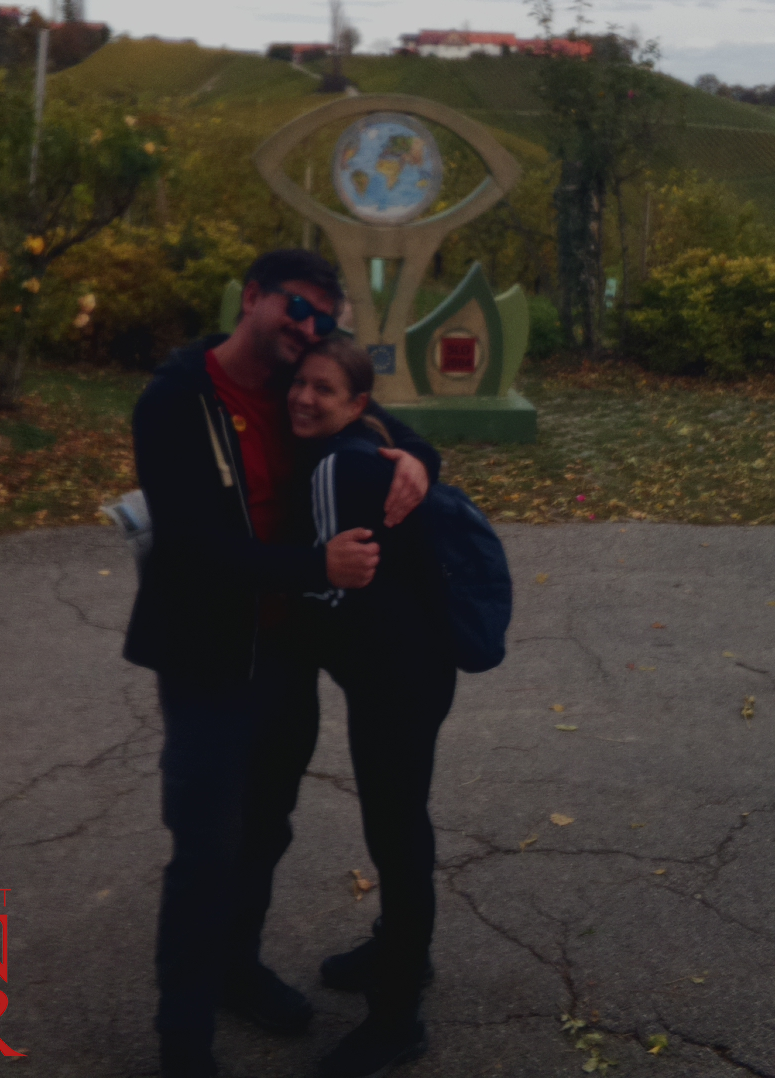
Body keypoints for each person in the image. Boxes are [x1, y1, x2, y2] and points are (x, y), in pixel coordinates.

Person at [124, 250, 439, 1078]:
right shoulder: (175, 401)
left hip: (285, 656)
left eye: (323, 319)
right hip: (206, 657)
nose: (308, 329)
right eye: (296, 308)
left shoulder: (293, 385)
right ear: (253, 296)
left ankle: (237, 969)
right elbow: (190, 548)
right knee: (206, 850)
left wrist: (417, 462)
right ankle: (183, 1044)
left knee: (264, 830)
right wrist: (314, 568)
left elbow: (389, 428)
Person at [283, 336, 459, 1078]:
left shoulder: (335, 465)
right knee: (399, 825)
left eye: (324, 389)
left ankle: (396, 1019)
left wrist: (261, 586)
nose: (304, 397)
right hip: (414, 666)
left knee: (397, 833)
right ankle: (400, 952)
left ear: (357, 403)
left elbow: (333, 586)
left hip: (395, 677)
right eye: (299, 382)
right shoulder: (373, 444)